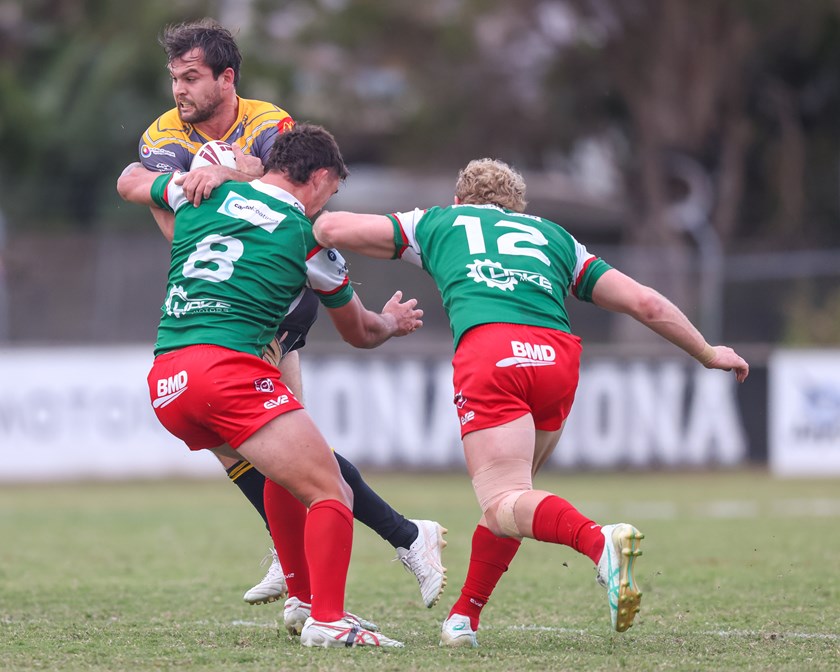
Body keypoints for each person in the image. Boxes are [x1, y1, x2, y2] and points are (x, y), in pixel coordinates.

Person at [313, 158, 751, 647]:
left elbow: (330, 225)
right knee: (513, 498)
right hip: (557, 358)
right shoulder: (556, 238)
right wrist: (708, 351)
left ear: (461, 199)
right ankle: (463, 619)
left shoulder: (439, 220)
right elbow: (644, 302)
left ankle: (598, 542)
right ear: (518, 208)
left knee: (503, 500)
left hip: (493, 351)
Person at [138, 18, 447, 611]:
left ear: (226, 79)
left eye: (191, 77)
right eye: (174, 77)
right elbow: (137, 183)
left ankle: (375, 551)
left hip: (273, 296)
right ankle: (393, 538)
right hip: (221, 292)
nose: (179, 90)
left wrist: (221, 175)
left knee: (285, 447)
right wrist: (189, 185)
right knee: (256, 447)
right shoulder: (163, 131)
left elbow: (278, 182)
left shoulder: (269, 122)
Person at [117, 123, 420, 647]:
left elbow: (130, 181)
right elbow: (360, 332)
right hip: (226, 372)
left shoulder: (199, 192)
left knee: (284, 473)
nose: (329, 200)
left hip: (168, 378)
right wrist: (391, 322)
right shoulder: (310, 235)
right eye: (333, 190)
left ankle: (304, 602)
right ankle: (329, 620)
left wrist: (207, 171)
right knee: (331, 490)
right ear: (321, 178)